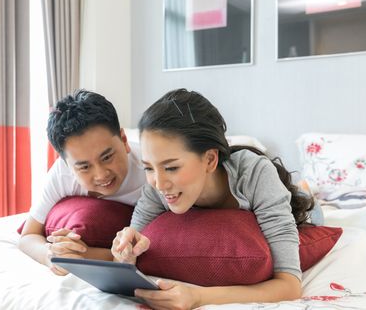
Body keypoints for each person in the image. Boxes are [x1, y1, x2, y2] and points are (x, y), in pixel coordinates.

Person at [112, 88, 320, 308]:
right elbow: (123, 261)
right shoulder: (156, 188)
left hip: (296, 203)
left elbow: (289, 285)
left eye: (171, 167)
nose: (159, 183)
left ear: (210, 160)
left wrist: (197, 297)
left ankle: (306, 187)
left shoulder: (255, 175)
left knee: (309, 205)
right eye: (148, 168)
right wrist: (125, 254)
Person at [18, 89, 145, 275]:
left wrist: (85, 254)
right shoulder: (62, 173)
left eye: (107, 157)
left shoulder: (151, 171)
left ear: (124, 140)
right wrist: (51, 256)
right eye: (84, 167)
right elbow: (28, 236)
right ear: (67, 165)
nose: (101, 175)